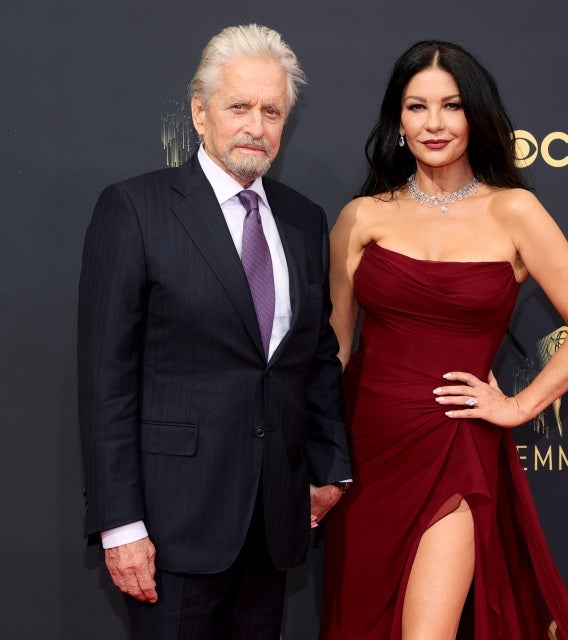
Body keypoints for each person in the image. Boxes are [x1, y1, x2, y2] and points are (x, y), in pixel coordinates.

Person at [319, 40, 568, 639]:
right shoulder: (361, 217)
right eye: (416, 106)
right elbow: (336, 349)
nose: (433, 124)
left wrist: (519, 404)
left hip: (455, 445)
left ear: (474, 115)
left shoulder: (515, 211)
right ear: (396, 121)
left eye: (450, 106)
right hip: (364, 449)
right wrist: (316, 455)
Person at [78, 24, 352, 640]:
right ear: (200, 114)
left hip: (274, 521)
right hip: (171, 527)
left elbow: (318, 355)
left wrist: (332, 466)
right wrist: (121, 526)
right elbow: (106, 381)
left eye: (272, 110)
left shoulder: (305, 220)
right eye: (239, 107)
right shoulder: (135, 210)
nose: (256, 126)